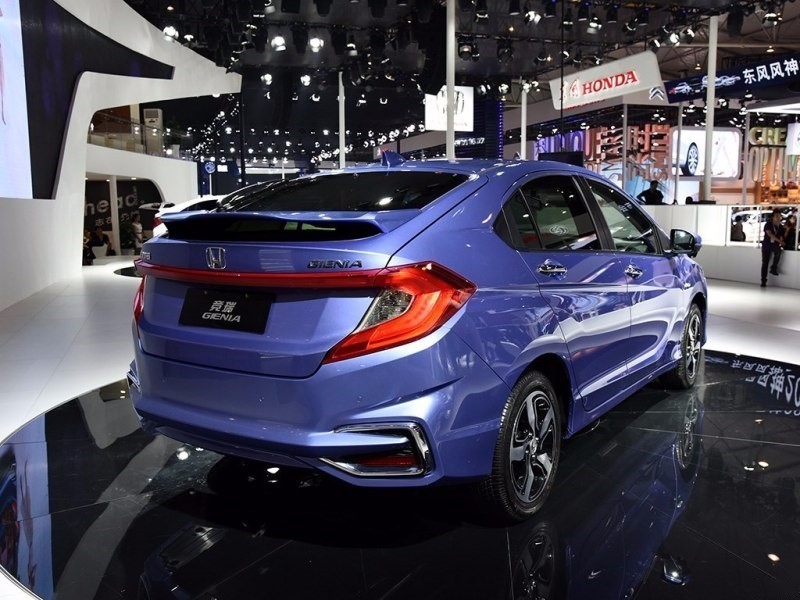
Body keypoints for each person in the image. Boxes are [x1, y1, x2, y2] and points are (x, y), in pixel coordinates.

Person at [761, 209, 784, 287]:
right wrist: (780, 241)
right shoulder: (768, 224)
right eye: (776, 216)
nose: (778, 218)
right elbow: (770, 234)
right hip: (767, 245)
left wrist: (781, 240)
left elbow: (781, 235)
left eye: (779, 216)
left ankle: (774, 268)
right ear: (773, 217)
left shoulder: (780, 226)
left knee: (778, 252)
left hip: (774, 245)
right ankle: (763, 280)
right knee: (765, 263)